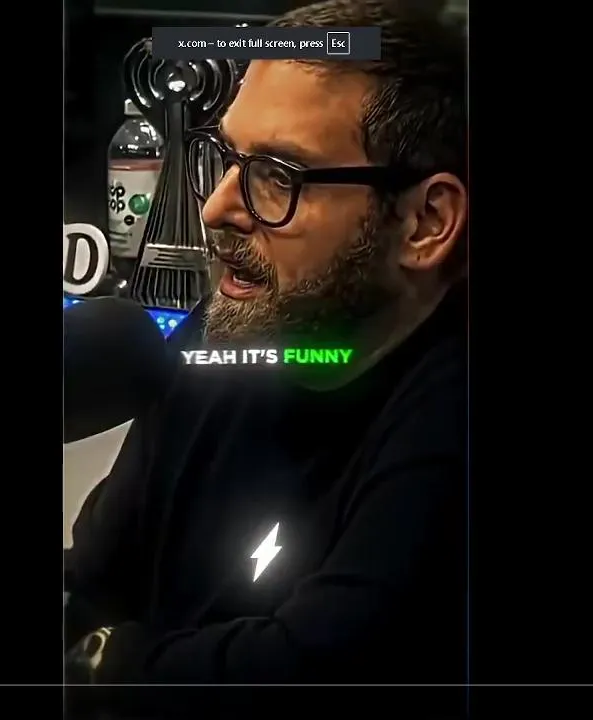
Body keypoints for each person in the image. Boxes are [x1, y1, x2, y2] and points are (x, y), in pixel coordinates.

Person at [64, 0, 469, 700]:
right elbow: (98, 582)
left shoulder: (449, 423)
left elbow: (313, 672)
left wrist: (101, 672)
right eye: (229, 158)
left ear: (425, 223)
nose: (217, 208)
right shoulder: (233, 333)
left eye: (279, 175)